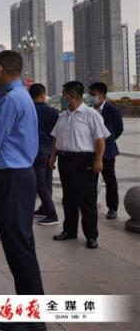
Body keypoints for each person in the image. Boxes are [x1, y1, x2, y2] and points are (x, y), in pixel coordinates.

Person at [0, 51, 46, 331]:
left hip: (11, 179)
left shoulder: (10, 99)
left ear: (0, 68)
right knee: (20, 245)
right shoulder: (19, 96)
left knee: (18, 247)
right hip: (17, 176)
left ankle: (32, 319)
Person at [50, 81, 110, 250]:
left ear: (72, 96)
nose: (62, 98)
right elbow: (56, 138)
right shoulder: (63, 115)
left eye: (64, 94)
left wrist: (98, 159)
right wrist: (53, 157)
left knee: (86, 200)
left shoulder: (91, 115)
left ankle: (91, 236)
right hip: (65, 160)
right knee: (68, 198)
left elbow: (100, 140)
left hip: (84, 161)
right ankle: (69, 231)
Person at [88, 82, 124, 219]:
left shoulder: (113, 110)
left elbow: (119, 129)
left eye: (93, 94)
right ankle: (89, 204)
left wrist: (108, 141)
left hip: (108, 152)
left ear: (101, 95)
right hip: (90, 151)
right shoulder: (88, 110)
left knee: (110, 180)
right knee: (90, 180)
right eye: (90, 94)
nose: (91, 97)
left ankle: (112, 208)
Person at [28, 83, 60, 226]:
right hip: (50, 149)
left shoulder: (29, 111)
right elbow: (57, 133)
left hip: (36, 150)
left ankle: (52, 214)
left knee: (39, 182)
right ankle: (45, 208)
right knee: (47, 181)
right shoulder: (53, 111)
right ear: (43, 95)